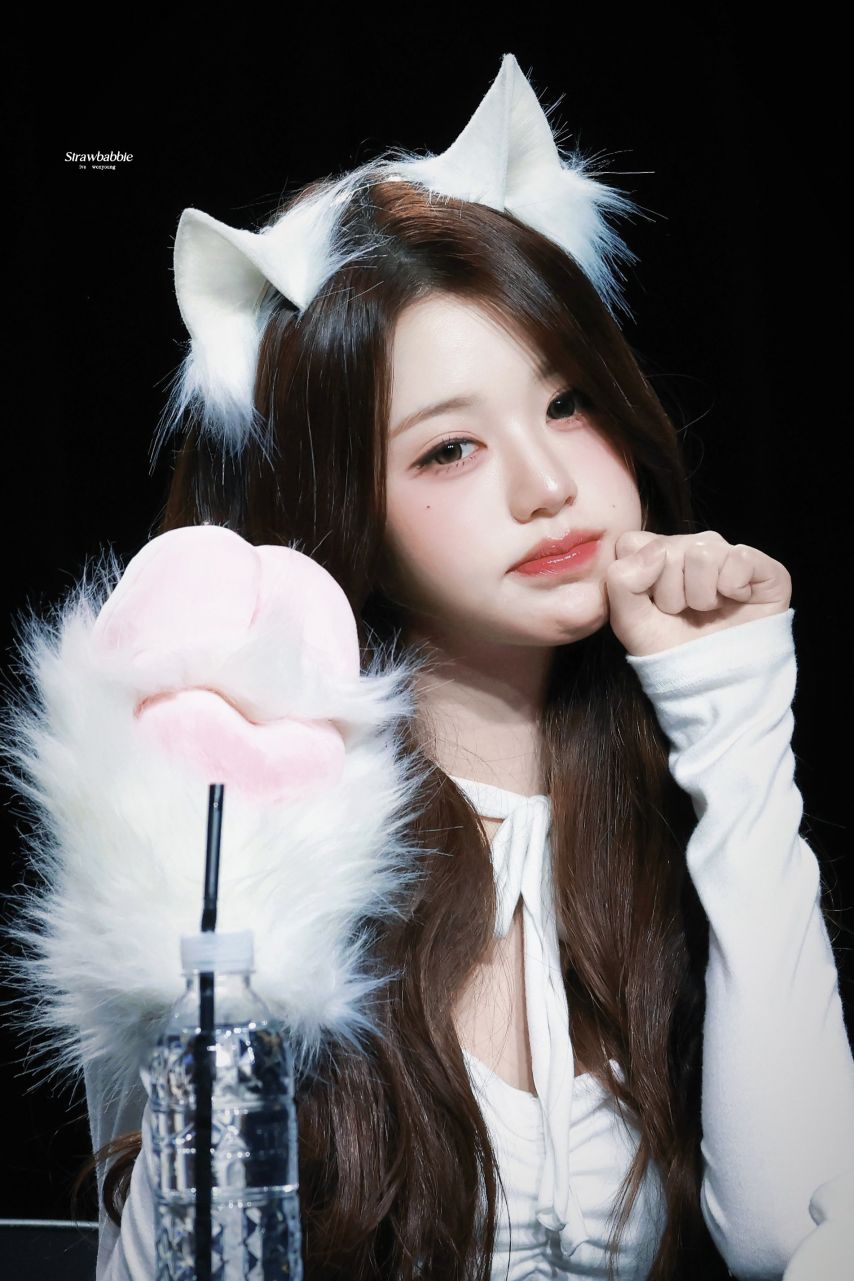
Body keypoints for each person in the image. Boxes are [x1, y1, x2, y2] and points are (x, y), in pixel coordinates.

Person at [1, 52, 852, 1281]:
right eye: (448, 449)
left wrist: (731, 712)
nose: (546, 484)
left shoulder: (680, 792)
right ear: (340, 503)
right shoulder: (251, 819)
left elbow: (794, 1231)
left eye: (567, 404)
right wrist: (215, 872)